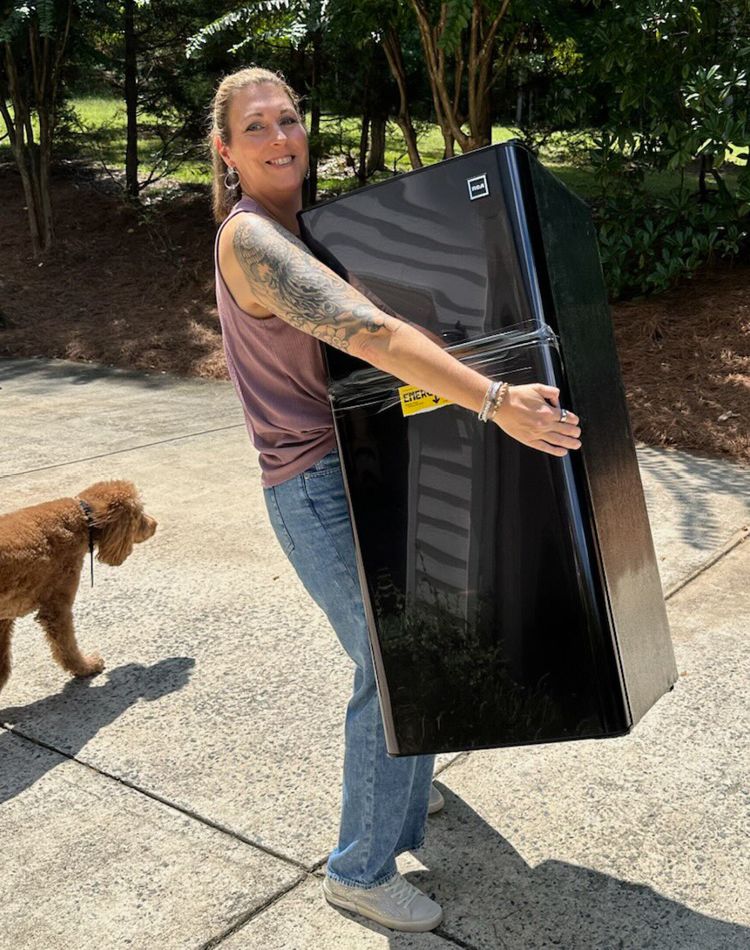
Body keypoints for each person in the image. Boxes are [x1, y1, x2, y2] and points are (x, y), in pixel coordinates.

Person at [210, 65, 582, 934]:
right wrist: (494, 402)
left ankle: (403, 800)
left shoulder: (306, 228)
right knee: (389, 668)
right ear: (225, 152)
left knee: (417, 652)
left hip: (359, 474)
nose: (279, 137)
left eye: (290, 118)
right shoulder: (252, 241)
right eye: (256, 127)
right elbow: (369, 334)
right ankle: (359, 868)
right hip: (313, 489)